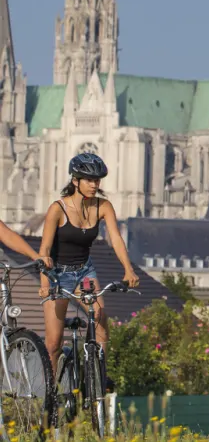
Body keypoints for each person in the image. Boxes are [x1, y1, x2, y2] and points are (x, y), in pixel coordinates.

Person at [39, 153, 140, 374]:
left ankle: (97, 378)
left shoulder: (103, 206)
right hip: (57, 274)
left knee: (100, 319)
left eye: (97, 180)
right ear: (75, 181)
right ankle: (49, 391)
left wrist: (128, 269)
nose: (95, 185)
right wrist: (45, 283)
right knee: (53, 344)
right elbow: (44, 250)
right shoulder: (58, 209)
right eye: (89, 180)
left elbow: (116, 239)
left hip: (84, 271)